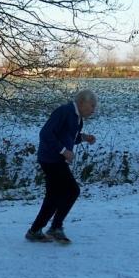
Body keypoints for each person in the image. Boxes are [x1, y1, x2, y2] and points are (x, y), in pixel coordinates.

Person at [26, 88, 97, 244]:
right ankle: (55, 227)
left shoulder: (78, 118)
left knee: (54, 195)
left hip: (54, 159)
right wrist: (64, 151)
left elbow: (70, 136)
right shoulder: (64, 111)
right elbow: (45, 133)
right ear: (82, 102)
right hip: (51, 158)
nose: (93, 110)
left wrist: (85, 138)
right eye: (92, 105)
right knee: (72, 190)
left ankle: (35, 230)